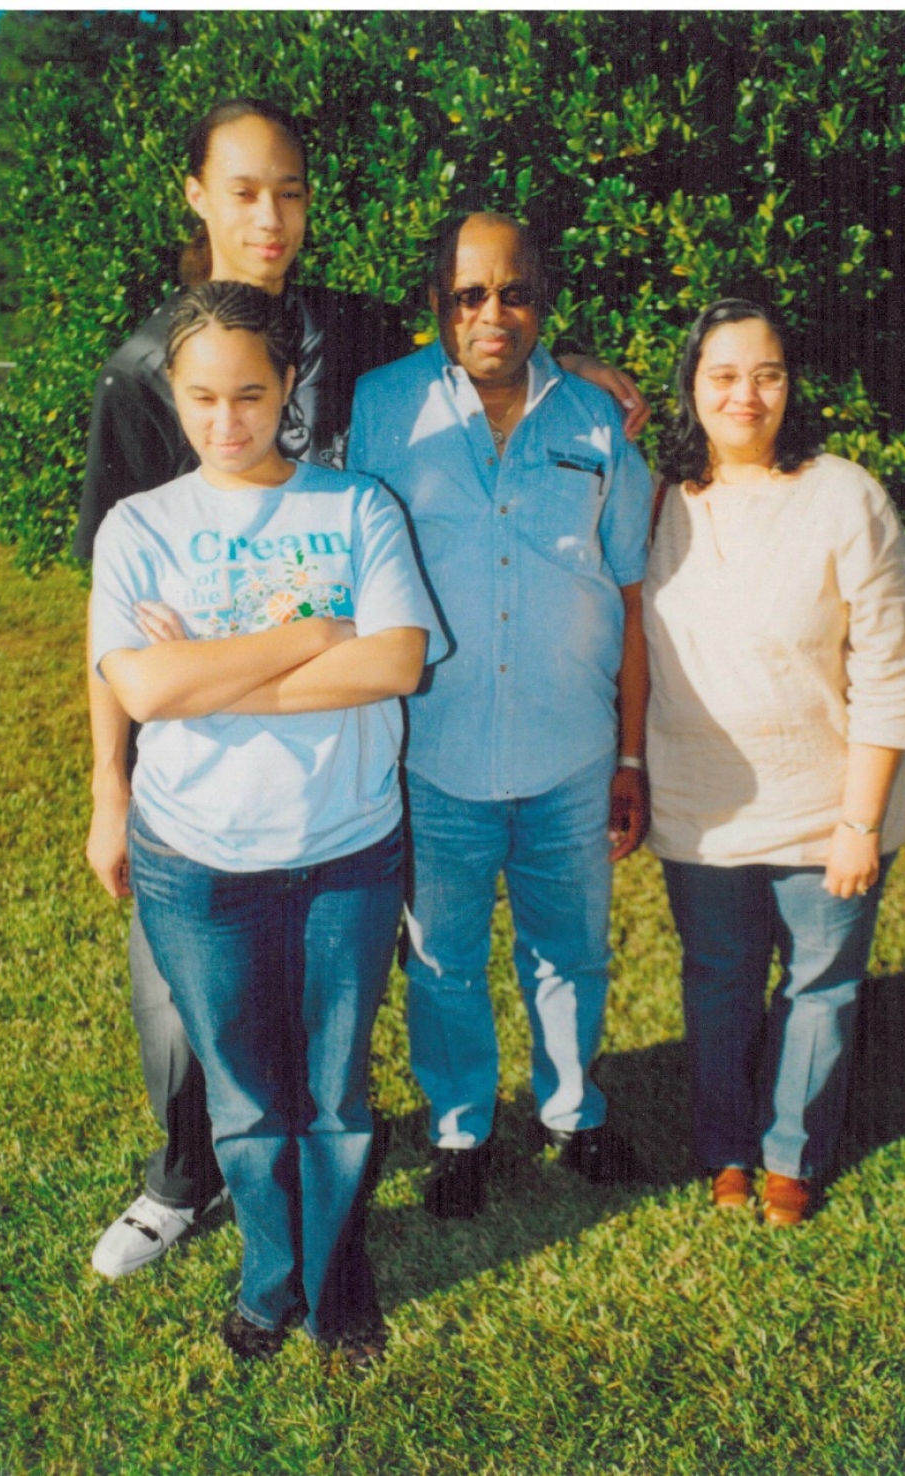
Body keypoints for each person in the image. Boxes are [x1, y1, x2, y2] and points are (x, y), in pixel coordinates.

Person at [77, 98, 651, 1276]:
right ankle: (185, 1181)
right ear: (195, 195)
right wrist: (107, 782)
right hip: (198, 746)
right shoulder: (143, 372)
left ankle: (416, 1130)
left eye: (288, 189)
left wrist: (575, 372)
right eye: (243, 191)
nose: (269, 215)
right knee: (188, 995)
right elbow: (115, 621)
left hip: (348, 734)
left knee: (346, 965)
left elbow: (480, 351)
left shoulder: (348, 334)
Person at [90, 279, 443, 1361]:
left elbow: (395, 659)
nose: (226, 421)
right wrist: (311, 631)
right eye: (202, 397)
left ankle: (336, 1274)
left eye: (251, 393)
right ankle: (268, 1276)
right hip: (196, 862)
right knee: (243, 1098)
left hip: (344, 855)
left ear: (289, 384)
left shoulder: (355, 507)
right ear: (175, 394)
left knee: (334, 1092)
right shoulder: (140, 525)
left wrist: (203, 668)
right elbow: (138, 691)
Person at [348, 212, 654, 1219]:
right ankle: (458, 1128)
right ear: (436, 301)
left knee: (569, 948)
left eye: (513, 291)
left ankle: (571, 1112)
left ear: (542, 298)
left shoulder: (596, 420)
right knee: (441, 960)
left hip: (568, 750)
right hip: (432, 753)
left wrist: (627, 755)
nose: (493, 313)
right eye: (468, 293)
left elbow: (627, 593)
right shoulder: (380, 407)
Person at [642, 297, 905, 1224]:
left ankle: (791, 1155)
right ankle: (727, 1148)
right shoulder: (657, 501)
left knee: (820, 986)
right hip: (702, 808)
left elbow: (894, 665)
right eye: (723, 375)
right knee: (719, 982)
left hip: (829, 807)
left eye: (766, 373)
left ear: (790, 383)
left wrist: (858, 820)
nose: (746, 394)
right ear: (690, 388)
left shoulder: (843, 494)